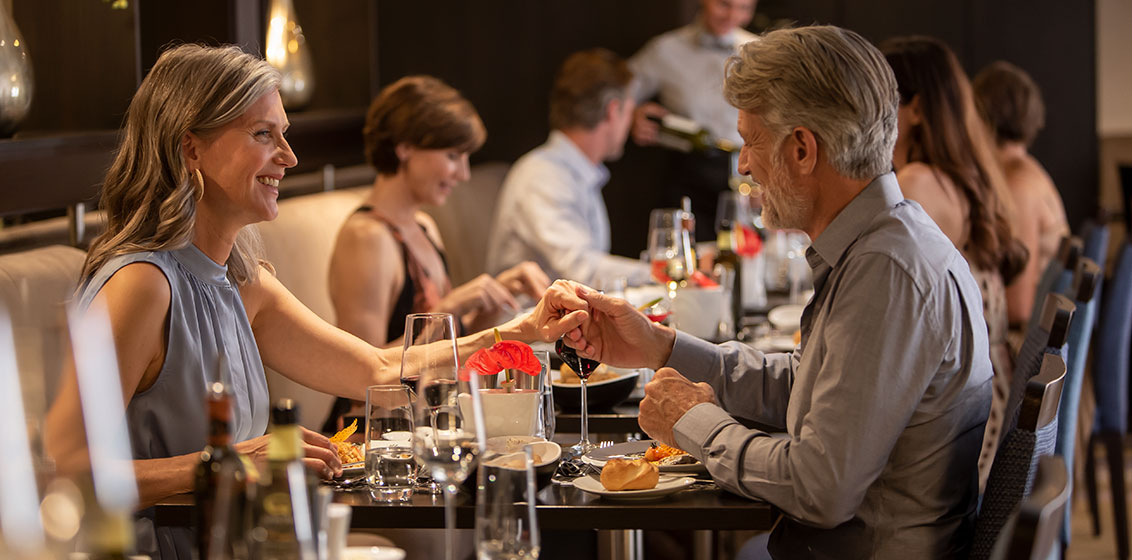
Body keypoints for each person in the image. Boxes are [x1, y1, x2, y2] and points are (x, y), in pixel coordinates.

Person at [41, 44, 583, 559]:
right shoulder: (142, 284)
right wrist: (227, 462)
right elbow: (66, 470)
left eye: (285, 134)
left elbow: (376, 368)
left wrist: (521, 331)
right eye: (263, 134)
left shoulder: (243, 280)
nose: (289, 156)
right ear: (191, 148)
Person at [548, 26, 992, 559]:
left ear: (802, 149)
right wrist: (659, 347)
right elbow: (809, 386)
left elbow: (819, 488)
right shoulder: (886, 242)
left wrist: (691, 420)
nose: (743, 164)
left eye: (751, 140)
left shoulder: (887, 270)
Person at [322, 75, 549, 433]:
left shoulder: (424, 226)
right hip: (374, 435)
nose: (464, 173)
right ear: (405, 148)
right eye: (453, 156)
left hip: (429, 423)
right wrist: (450, 306)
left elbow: (447, 350)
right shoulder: (367, 238)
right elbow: (360, 377)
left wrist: (497, 296)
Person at [881, 36, 1028, 491]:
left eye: (881, 98)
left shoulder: (916, 183)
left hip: (961, 430)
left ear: (916, 109)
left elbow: (891, 318)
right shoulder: (963, 175)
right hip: (984, 397)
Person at [485, 48, 650, 287]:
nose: (630, 123)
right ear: (613, 111)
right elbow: (582, 270)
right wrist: (666, 271)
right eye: (630, 112)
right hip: (530, 310)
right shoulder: (541, 175)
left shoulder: (575, 170)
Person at [628, 0, 757, 242]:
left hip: (744, 174)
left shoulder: (759, 51)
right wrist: (634, 114)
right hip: (688, 173)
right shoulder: (665, 50)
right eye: (724, 4)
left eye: (744, 8)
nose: (733, 16)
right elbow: (616, 94)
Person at [972, 61, 1069, 328]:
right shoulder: (1027, 170)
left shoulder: (1018, 188)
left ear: (980, 116)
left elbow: (1019, 310)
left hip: (1026, 342)